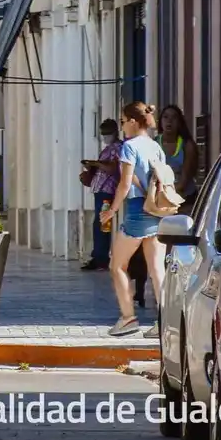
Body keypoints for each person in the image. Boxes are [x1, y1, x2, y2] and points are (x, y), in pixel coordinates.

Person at [109, 102, 169, 337]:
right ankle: (165, 321)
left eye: (123, 121)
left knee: (117, 265)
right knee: (157, 269)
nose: (122, 126)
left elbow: (124, 184)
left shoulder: (129, 147)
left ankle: (127, 317)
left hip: (137, 211)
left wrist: (112, 209)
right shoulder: (156, 147)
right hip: (157, 210)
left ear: (133, 121)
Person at [82, 119, 121, 271]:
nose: (105, 137)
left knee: (103, 225)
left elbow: (113, 168)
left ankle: (101, 258)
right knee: (98, 224)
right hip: (100, 190)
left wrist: (96, 164)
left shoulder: (118, 147)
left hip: (108, 191)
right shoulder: (107, 148)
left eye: (107, 133)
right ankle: (97, 255)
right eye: (103, 134)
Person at [159, 105, 200, 203]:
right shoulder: (153, 144)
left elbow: (183, 182)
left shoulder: (187, 145)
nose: (169, 121)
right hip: (161, 200)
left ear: (179, 122)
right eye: (165, 117)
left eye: (174, 117)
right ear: (160, 121)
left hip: (185, 200)